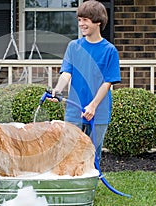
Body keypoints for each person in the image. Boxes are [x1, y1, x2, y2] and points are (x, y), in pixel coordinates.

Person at [48, 0, 121, 164]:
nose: (81, 24)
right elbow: (66, 73)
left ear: (98, 22)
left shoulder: (109, 51)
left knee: (92, 155)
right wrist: (58, 89)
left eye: (85, 20)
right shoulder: (74, 46)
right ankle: (72, 188)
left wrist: (93, 105)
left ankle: (90, 189)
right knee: (69, 154)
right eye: (79, 20)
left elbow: (108, 82)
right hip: (74, 110)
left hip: (99, 111)